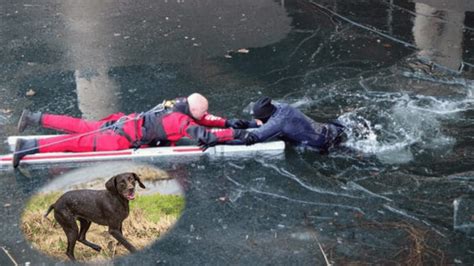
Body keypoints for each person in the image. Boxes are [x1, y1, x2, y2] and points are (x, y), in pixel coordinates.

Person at [13, 93, 252, 168]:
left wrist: (233, 122)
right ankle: (27, 147)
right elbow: (206, 136)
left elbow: (206, 119)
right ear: (193, 113)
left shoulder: (177, 104)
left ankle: (34, 117)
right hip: (117, 140)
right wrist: (237, 134)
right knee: (72, 143)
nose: (202, 119)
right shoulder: (181, 122)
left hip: (119, 123)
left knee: (77, 125)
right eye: (200, 116)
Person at [242, 96, 347, 152]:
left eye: (259, 119)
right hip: (329, 129)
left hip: (323, 144)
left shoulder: (277, 123)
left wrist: (228, 136)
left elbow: (253, 137)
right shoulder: (282, 107)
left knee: (348, 150)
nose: (256, 120)